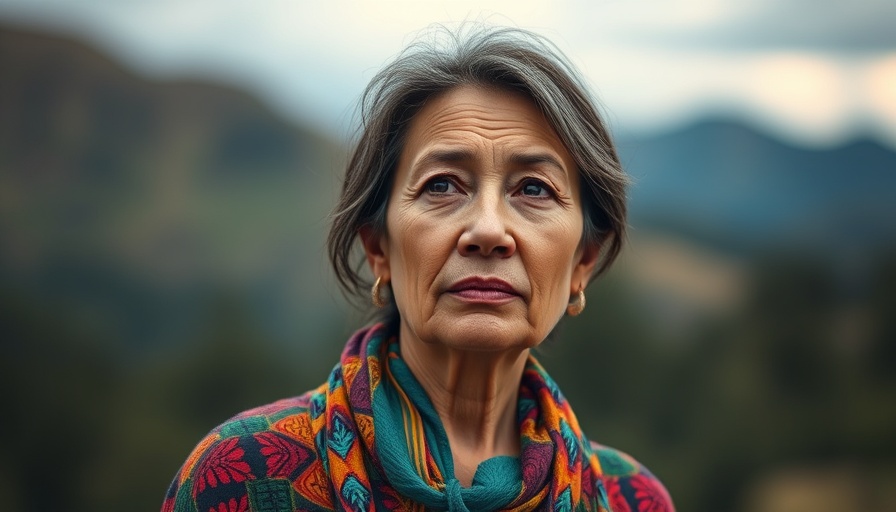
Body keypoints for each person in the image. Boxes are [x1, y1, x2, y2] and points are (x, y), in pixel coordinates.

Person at [162, 25, 674, 512]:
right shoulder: (238, 476)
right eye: (443, 185)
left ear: (583, 261)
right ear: (379, 247)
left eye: (534, 189)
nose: (489, 230)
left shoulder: (631, 498)